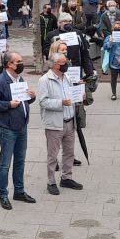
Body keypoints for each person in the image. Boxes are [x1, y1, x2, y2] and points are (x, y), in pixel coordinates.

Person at [0, 50, 37, 210]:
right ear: (9, 64)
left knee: (20, 161)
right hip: (8, 128)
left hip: (21, 126)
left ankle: (19, 191)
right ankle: (3, 194)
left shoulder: (19, 78)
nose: (21, 64)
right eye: (18, 61)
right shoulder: (1, 81)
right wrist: (7, 105)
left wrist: (32, 96)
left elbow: (23, 101)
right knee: (5, 164)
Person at [37, 50, 80, 195]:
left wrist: (79, 92)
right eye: (63, 63)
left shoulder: (66, 77)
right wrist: (61, 102)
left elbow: (71, 94)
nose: (66, 65)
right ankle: (51, 181)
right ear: (55, 65)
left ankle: (66, 178)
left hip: (70, 121)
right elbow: (43, 102)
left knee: (69, 153)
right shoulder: (45, 80)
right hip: (55, 123)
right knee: (52, 155)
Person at [106, 21, 120, 100]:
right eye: (115, 28)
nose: (117, 29)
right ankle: (114, 93)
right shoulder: (110, 37)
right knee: (113, 79)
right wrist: (110, 42)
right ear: (113, 29)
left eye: (119, 28)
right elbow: (105, 47)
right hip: (114, 62)